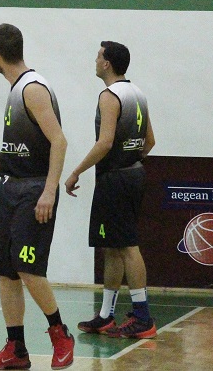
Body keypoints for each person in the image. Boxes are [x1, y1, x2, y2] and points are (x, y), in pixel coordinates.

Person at [0, 24, 74, 371]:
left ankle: (60, 333)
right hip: (10, 187)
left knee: (28, 267)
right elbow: (15, 147)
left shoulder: (32, 88)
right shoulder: (18, 89)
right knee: (7, 271)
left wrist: (49, 190)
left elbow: (59, 141)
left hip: (33, 190)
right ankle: (16, 347)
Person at [64, 41, 157, 338]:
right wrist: (130, 159)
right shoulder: (137, 93)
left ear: (107, 63)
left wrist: (76, 172)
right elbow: (150, 142)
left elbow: (104, 143)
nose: (95, 60)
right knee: (114, 247)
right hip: (134, 174)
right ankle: (105, 315)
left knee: (127, 246)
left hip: (116, 178)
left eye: (98, 56)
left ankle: (143, 317)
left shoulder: (109, 95)